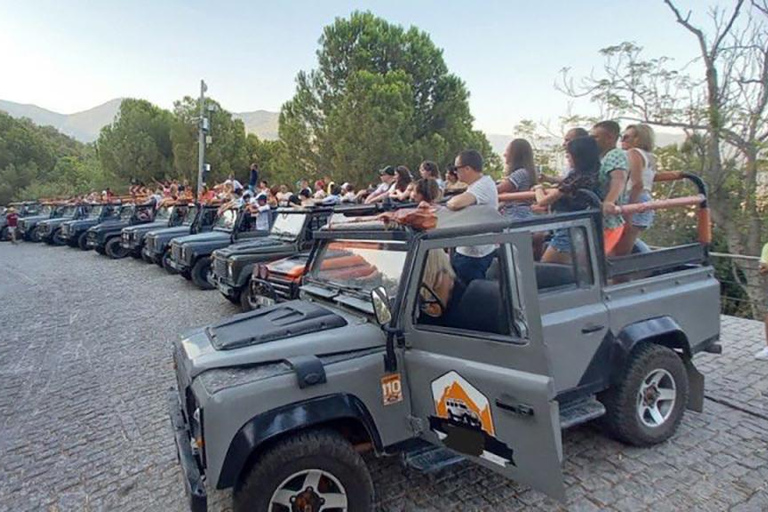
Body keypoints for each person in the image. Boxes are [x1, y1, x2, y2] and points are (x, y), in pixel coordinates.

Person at [533, 137, 602, 264]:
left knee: (546, 269)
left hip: (567, 232)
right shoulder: (593, 174)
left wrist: (538, 188)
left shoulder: (576, 178)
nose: (567, 158)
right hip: (582, 231)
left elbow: (542, 201)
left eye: (569, 155)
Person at [446, 150, 498, 283]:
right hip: (470, 251)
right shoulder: (478, 185)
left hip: (474, 255)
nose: (455, 172)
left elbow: (456, 203)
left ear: (467, 168)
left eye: (457, 168)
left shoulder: (483, 186)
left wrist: (448, 203)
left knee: (465, 296)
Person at [613, 124, 658, 256]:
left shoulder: (634, 153)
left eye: (626, 137)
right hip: (645, 200)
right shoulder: (650, 157)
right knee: (624, 249)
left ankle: (621, 276)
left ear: (638, 139)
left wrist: (628, 210)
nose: (622, 140)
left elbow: (637, 183)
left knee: (619, 253)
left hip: (633, 199)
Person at [591, 120, 628, 255]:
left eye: (596, 137)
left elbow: (619, 178)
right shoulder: (601, 157)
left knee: (599, 260)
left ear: (610, 138)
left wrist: (609, 201)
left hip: (609, 220)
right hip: (601, 219)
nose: (593, 141)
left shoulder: (615, 155)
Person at [497, 138, 537, 220]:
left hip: (516, 214)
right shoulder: (527, 172)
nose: (505, 154)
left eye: (508, 151)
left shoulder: (520, 173)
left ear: (515, 154)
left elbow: (498, 189)